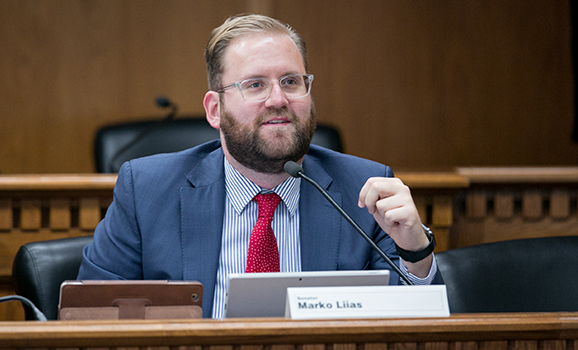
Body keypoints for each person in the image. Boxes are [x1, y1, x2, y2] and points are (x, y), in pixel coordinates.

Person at [77, 13, 443, 319]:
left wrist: (416, 252)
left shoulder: (366, 189)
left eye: (291, 81)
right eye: (255, 85)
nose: (279, 99)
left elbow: (413, 327)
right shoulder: (146, 190)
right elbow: (93, 319)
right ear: (215, 110)